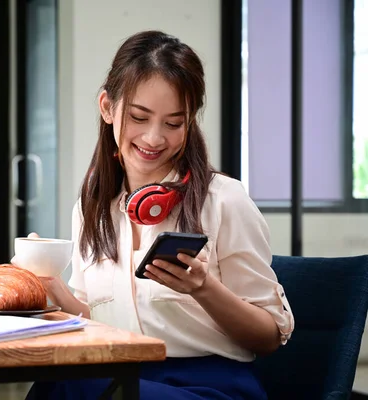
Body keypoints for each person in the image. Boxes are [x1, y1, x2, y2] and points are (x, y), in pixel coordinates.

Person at [24, 30, 294, 400]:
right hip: (124, 373)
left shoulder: (223, 201)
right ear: (107, 107)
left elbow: (268, 337)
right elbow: (94, 321)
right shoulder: (94, 207)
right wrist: (50, 285)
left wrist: (204, 288)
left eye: (173, 123)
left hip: (210, 385)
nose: (153, 138)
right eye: (139, 117)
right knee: (61, 381)